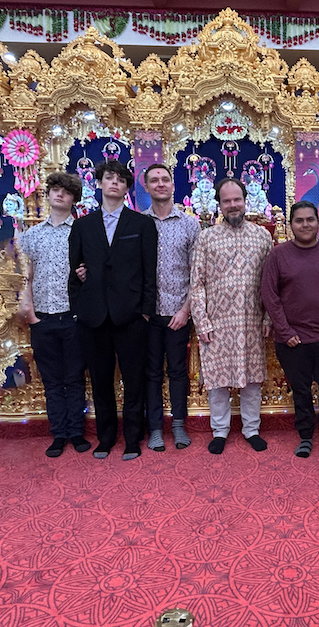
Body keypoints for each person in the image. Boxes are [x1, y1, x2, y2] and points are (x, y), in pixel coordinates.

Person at [68, 160, 157, 461]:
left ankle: (133, 437)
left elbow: (150, 273)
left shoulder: (142, 224)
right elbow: (74, 272)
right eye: (109, 178)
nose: (115, 183)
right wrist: (79, 310)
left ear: (127, 187)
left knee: (134, 380)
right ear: (100, 184)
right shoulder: (82, 226)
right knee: (101, 380)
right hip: (93, 317)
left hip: (131, 316)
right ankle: (105, 438)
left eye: (121, 179)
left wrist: (145, 312)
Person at [262, 201, 319, 458]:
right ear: (291, 225)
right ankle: (304, 436)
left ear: (318, 222)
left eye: (309, 220)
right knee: (300, 390)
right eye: (299, 220)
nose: (305, 225)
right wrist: (285, 330)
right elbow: (270, 295)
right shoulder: (278, 255)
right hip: (293, 340)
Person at [190, 178, 272, 455]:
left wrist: (267, 318)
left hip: (251, 320)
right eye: (227, 201)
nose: (233, 205)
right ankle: (220, 431)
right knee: (217, 381)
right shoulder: (206, 237)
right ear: (220, 204)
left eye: (237, 199)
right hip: (218, 322)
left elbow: (270, 284)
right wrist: (202, 321)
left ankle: (251, 429)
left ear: (245, 200)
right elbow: (197, 283)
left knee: (251, 380)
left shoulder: (262, 236)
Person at [18, 172, 89, 457]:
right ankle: (58, 434)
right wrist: (31, 314)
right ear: (47, 195)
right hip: (43, 319)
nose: (60, 195)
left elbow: (92, 273)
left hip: (73, 318)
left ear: (74, 199)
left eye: (66, 192)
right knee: (51, 381)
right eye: (55, 190)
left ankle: (77, 432)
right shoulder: (31, 236)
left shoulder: (82, 232)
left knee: (74, 379)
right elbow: (25, 277)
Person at [141, 163, 200, 451]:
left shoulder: (190, 224)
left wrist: (186, 310)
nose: (161, 184)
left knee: (178, 371)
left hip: (179, 311)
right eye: (155, 180)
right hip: (147, 314)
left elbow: (197, 272)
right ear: (146, 186)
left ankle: (178, 424)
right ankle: (154, 428)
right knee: (151, 372)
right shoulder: (138, 222)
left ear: (174, 185)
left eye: (165, 179)